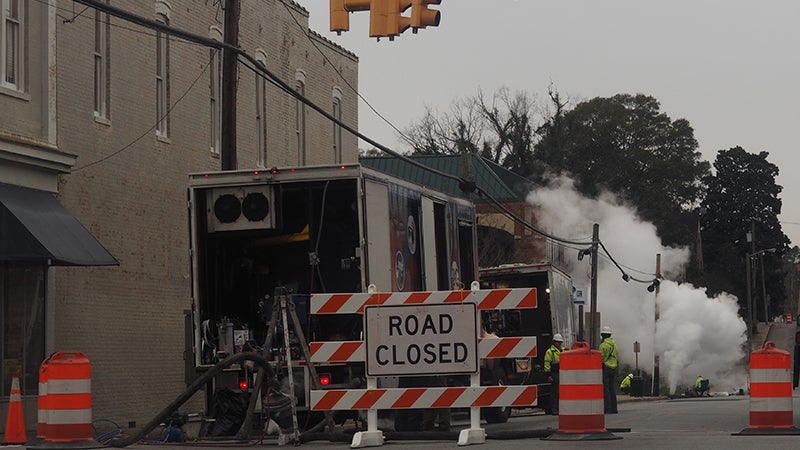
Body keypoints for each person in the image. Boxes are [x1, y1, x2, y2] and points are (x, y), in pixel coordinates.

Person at [599, 325, 619, 414]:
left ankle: (608, 409)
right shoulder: (615, 345)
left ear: (603, 335)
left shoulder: (603, 346)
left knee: (605, 389)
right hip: (613, 368)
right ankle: (614, 408)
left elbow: (601, 358)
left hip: (606, 368)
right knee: (612, 388)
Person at [544, 333, 564, 414]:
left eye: (560, 342)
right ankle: (554, 409)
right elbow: (547, 364)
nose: (559, 344)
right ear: (554, 342)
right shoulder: (550, 352)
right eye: (558, 342)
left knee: (561, 392)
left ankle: (560, 408)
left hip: (562, 373)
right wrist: (548, 375)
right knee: (554, 392)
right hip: (554, 373)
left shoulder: (563, 350)